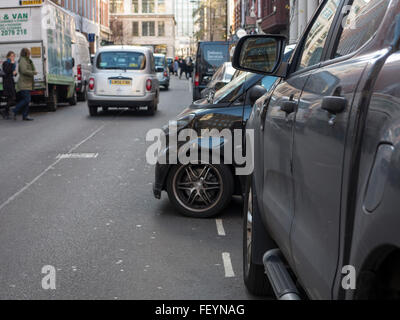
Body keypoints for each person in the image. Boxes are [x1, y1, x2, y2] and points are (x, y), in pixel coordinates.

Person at [12, 48, 37, 121]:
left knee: (26, 101)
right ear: (25, 53)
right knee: (27, 99)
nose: (29, 54)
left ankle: (25, 116)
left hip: (27, 83)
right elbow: (24, 71)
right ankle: (14, 110)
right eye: (28, 53)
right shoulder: (23, 60)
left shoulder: (26, 60)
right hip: (23, 84)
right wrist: (33, 72)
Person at [1, 51, 17, 119]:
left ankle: (6, 112)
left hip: (11, 82)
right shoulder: (6, 63)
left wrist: (15, 73)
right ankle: (5, 111)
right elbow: (7, 71)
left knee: (10, 99)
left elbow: (12, 73)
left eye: (13, 56)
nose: (12, 57)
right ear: (8, 56)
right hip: (7, 83)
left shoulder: (12, 64)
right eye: (11, 56)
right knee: (12, 98)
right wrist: (11, 64)